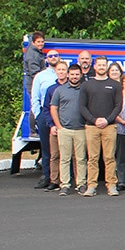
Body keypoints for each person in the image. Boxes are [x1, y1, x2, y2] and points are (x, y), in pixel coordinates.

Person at [79, 56, 123, 196]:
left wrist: (108, 120)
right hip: (91, 126)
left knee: (109, 157)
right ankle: (91, 185)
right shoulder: (86, 85)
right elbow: (82, 106)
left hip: (109, 126)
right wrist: (94, 120)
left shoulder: (115, 85)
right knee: (92, 157)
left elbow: (118, 106)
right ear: (95, 66)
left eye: (104, 65)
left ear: (107, 66)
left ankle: (111, 185)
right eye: (99, 65)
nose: (102, 67)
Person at [51, 64, 86, 196]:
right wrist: (58, 126)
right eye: (72, 74)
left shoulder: (85, 89)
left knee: (81, 158)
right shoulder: (60, 90)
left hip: (81, 129)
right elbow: (53, 108)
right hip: (64, 129)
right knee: (64, 159)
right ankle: (64, 185)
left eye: (77, 74)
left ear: (80, 75)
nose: (74, 76)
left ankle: (81, 184)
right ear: (67, 75)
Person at [31, 49, 62, 189]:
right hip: (45, 114)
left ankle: (61, 178)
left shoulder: (64, 74)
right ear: (47, 59)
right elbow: (35, 97)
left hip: (62, 115)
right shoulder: (40, 76)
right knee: (46, 148)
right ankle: (46, 176)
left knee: (63, 148)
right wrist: (38, 115)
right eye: (50, 56)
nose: (53, 57)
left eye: (56, 55)